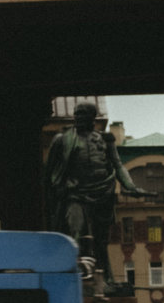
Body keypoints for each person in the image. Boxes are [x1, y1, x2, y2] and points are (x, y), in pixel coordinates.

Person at [44, 100, 143, 291]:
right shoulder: (62, 139)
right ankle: (76, 278)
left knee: (100, 240)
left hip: (101, 193)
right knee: (76, 232)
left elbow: (117, 164)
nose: (78, 117)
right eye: (76, 113)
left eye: (83, 114)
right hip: (75, 194)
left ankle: (105, 279)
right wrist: (58, 192)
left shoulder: (105, 140)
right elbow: (49, 173)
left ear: (93, 117)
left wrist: (131, 186)